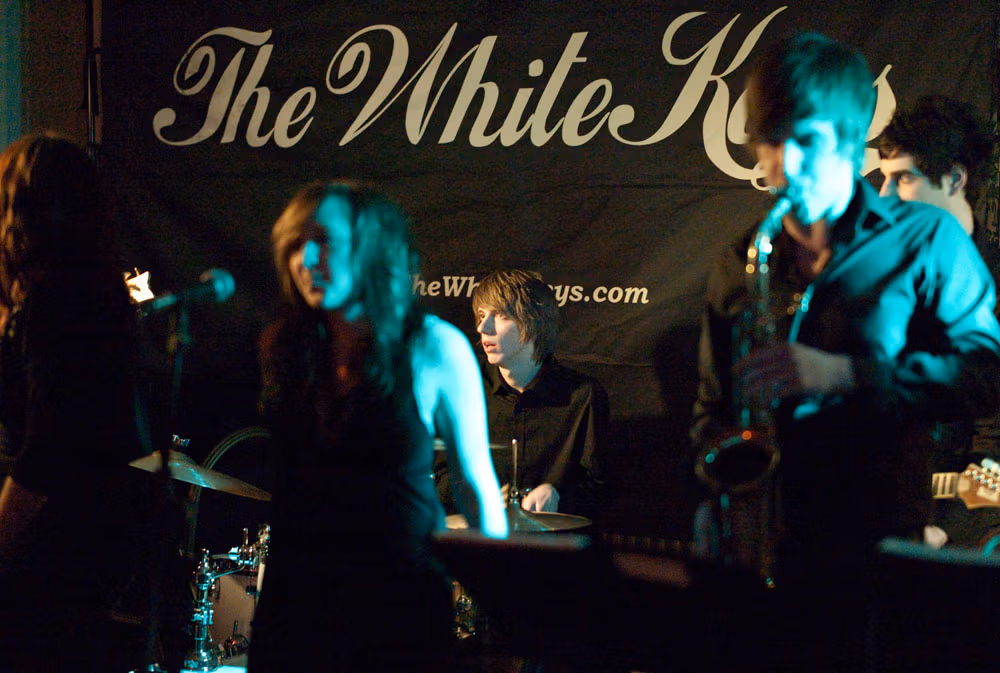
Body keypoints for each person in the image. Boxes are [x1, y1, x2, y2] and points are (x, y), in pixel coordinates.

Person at [690, 33, 1000, 669]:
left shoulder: (926, 240)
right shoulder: (742, 260)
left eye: (807, 140)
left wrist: (847, 374)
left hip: (875, 568)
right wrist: (717, 489)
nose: (784, 163)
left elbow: (984, 373)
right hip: (763, 562)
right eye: (770, 140)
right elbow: (712, 409)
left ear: (851, 140)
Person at [247, 181, 507, 673]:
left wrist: (502, 610)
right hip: (295, 604)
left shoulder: (433, 346)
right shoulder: (283, 346)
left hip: (398, 606)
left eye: (323, 240)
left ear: (371, 247)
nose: (306, 259)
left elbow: (476, 487)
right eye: (296, 244)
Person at [0, 133, 150, 671]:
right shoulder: (99, 297)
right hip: (94, 541)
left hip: (51, 549)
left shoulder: (52, 306)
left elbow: (46, 454)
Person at [878, 96, 1000, 551]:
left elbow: (996, 455)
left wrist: (945, 526)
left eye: (903, 178)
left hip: (959, 532)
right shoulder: (881, 275)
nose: (885, 196)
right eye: (883, 178)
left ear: (954, 179)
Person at [437, 269, 610, 523]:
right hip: (476, 540)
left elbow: (602, 488)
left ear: (533, 323)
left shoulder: (582, 396)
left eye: (500, 315)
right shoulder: (461, 390)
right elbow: (437, 476)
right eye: (482, 315)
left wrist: (558, 496)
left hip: (551, 544)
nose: (482, 327)